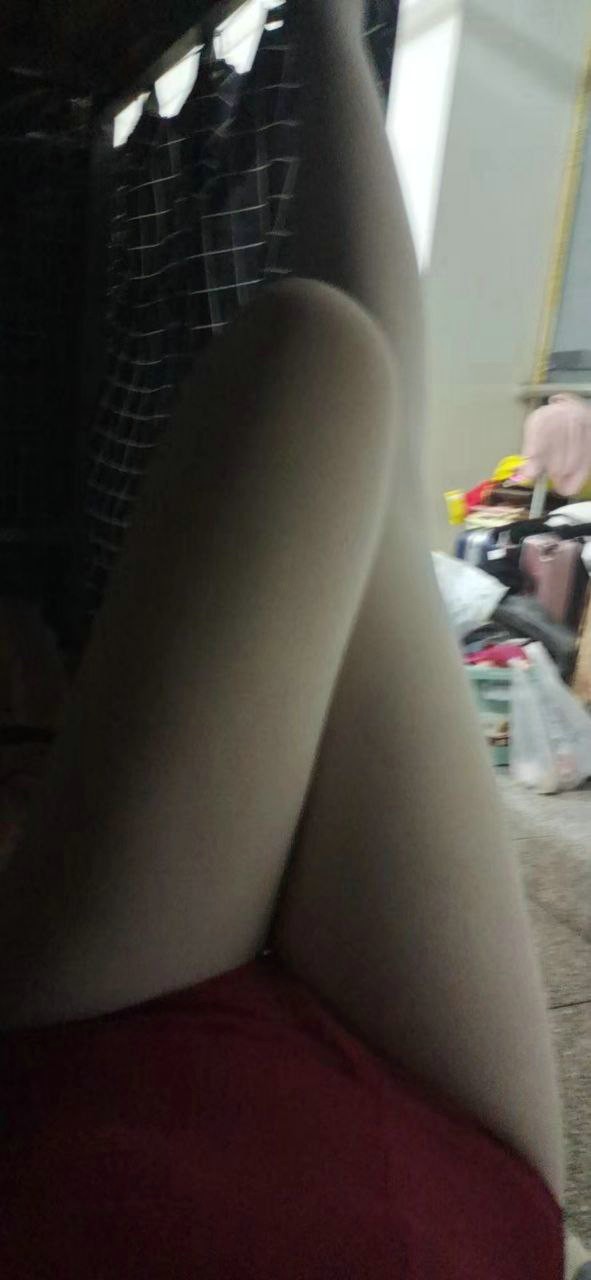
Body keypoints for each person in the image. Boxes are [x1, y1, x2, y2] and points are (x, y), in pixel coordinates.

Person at [0, 2, 566, 1276]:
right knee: (351, 413)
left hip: (95, 1085)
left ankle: (320, 15)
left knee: (331, 377)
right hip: (467, 1196)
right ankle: (322, 16)